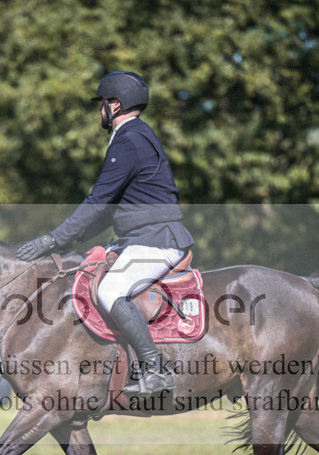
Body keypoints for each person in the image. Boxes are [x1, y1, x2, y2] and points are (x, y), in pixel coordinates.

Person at [17, 70, 193, 396]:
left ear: (115, 104)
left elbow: (98, 201)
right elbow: (109, 208)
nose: (100, 111)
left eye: (102, 104)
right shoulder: (135, 136)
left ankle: (155, 371)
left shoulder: (129, 139)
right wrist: (67, 240)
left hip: (155, 241)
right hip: (144, 238)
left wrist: (53, 238)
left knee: (110, 290)